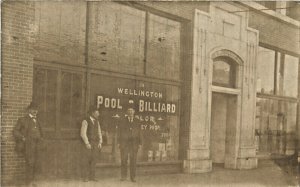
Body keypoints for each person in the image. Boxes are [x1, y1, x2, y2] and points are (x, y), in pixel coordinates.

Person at [13, 102, 43, 186]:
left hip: (37, 145)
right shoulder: (22, 120)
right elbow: (15, 131)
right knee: (30, 163)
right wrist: (23, 138)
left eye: (36, 109)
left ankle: (33, 182)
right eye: (33, 109)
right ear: (29, 110)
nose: (35, 111)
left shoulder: (38, 120)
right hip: (28, 145)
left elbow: (41, 132)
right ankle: (28, 183)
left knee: (36, 163)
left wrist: (41, 139)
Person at [117, 101, 142, 182]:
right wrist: (118, 142)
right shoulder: (122, 121)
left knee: (133, 161)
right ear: (127, 112)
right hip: (124, 144)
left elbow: (139, 133)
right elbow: (119, 132)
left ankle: (133, 177)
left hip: (134, 144)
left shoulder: (137, 121)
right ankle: (123, 176)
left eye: (132, 111)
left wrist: (140, 143)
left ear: (134, 112)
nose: (131, 112)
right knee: (124, 160)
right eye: (129, 111)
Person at [80, 105, 103, 182]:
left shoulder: (97, 122)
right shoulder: (85, 121)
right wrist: (87, 143)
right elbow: (83, 133)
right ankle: (85, 177)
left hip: (95, 144)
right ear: (93, 113)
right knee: (86, 160)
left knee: (94, 160)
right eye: (97, 112)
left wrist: (100, 142)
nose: (98, 113)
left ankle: (92, 177)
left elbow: (99, 132)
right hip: (88, 144)